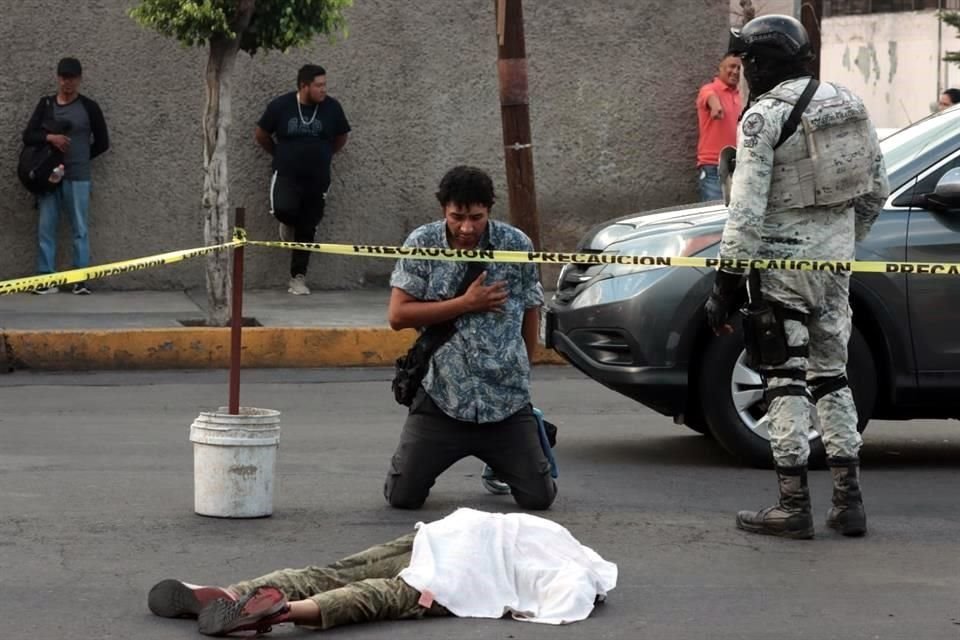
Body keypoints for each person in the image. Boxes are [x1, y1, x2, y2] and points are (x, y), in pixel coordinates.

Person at [704, 15, 889, 539]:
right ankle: (848, 501)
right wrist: (842, 244)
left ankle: (792, 504)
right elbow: (877, 187)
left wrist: (725, 283)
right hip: (833, 266)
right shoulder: (848, 103)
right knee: (832, 375)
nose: (742, 76)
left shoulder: (762, 118)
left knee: (783, 377)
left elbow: (745, 212)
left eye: (746, 64)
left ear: (761, 65)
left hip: (781, 269)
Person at [147, 508, 617, 636]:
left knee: (334, 570)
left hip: (442, 535)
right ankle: (282, 612)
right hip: (459, 576)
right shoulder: (580, 575)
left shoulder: (553, 534)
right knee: (377, 597)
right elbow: (567, 604)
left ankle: (229, 592)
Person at [383, 166, 556, 511]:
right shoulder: (422, 243)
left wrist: (523, 367)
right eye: (456, 217)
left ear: (489, 210)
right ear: (443, 211)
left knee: (540, 498)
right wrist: (465, 304)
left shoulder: (515, 244)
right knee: (403, 498)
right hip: (441, 398)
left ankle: (519, 441)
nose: (466, 227)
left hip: (504, 401)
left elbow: (530, 308)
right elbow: (398, 316)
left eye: (476, 217)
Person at [255, 64, 350, 296]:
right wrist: (280, 154)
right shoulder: (282, 106)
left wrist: (323, 155)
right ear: (303, 86)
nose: (323, 89)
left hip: (318, 178)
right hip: (286, 174)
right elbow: (262, 134)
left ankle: (298, 278)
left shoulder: (332, 108)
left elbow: (341, 137)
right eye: (318, 85)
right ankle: (287, 222)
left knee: (308, 227)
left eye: (324, 84)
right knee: (283, 209)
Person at [22, 57, 109, 295]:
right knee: (46, 227)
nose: (67, 82)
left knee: (79, 228)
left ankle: (79, 279)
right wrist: (51, 138)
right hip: (48, 177)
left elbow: (103, 142)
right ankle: (45, 278)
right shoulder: (47, 104)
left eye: (71, 78)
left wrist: (82, 156)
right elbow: (28, 136)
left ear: (79, 79)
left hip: (78, 176)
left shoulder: (89, 107)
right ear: (57, 78)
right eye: (63, 77)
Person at [695, 52, 743, 202]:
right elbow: (709, 97)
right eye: (731, 67)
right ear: (721, 68)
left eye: (739, 68)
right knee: (714, 214)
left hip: (738, 167)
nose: (735, 71)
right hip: (713, 167)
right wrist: (716, 106)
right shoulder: (709, 89)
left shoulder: (741, 96)